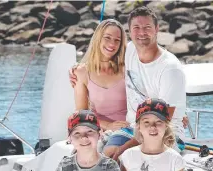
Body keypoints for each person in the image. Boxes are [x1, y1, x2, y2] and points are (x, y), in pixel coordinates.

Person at [71, 6, 188, 161]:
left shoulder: (170, 68)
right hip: (131, 128)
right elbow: (103, 52)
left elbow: (162, 122)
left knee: (122, 158)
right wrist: (76, 68)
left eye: (147, 27)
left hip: (165, 134)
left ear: (157, 29)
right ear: (130, 31)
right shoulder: (131, 50)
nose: (141, 33)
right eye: (136, 28)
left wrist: (124, 148)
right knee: (107, 157)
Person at [73, 19, 129, 135]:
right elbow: (81, 114)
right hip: (97, 129)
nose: (112, 44)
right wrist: (108, 125)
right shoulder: (82, 72)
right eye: (107, 37)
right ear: (98, 38)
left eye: (117, 40)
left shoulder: (128, 68)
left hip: (126, 130)